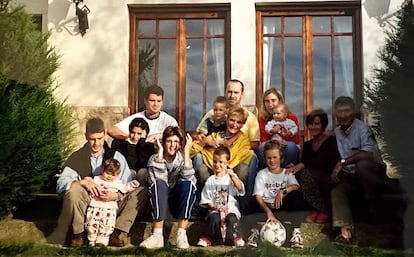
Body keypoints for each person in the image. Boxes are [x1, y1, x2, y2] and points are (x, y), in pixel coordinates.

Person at [48, 117, 149, 247]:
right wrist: (82, 182)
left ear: (105, 134)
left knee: (142, 192)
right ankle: (78, 234)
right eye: (92, 139)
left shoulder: (116, 156)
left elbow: (126, 185)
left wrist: (117, 195)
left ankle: (115, 232)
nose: (96, 143)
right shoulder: (77, 157)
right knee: (73, 190)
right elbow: (61, 184)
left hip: (112, 208)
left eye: (100, 138)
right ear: (86, 137)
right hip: (89, 207)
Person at [330, 96, 392, 243]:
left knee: (362, 165)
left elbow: (369, 153)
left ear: (354, 113)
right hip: (351, 177)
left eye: (347, 111)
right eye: (340, 111)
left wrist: (343, 162)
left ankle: (373, 207)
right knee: (337, 192)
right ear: (335, 114)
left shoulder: (363, 129)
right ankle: (344, 233)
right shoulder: (337, 132)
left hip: (371, 174)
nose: (343, 115)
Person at [139, 126, 196, 249]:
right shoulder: (155, 159)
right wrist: (160, 154)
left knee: (188, 184)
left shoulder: (183, 160)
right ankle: (157, 235)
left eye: (176, 142)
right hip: (159, 204)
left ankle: (181, 234)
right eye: (169, 141)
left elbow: (189, 179)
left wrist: (186, 153)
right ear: (163, 143)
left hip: (176, 204)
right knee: (159, 184)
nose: (172, 145)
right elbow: (160, 181)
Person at [286, 109, 340, 224]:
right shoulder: (307, 145)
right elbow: (304, 162)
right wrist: (295, 166)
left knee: (304, 173)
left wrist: (301, 166)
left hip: (328, 178)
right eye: (311, 124)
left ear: (323, 125)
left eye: (317, 124)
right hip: (311, 179)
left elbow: (323, 162)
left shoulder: (331, 141)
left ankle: (323, 210)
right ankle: (315, 209)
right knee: (297, 174)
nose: (313, 127)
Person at [252, 140, 308, 248]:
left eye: (275, 157)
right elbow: (258, 196)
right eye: (269, 158)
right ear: (265, 159)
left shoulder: (286, 172)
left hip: (282, 207)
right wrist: (268, 212)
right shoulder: (262, 174)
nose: (272, 161)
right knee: (251, 201)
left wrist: (283, 191)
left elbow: (296, 186)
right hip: (266, 208)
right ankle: (254, 233)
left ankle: (296, 233)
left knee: (297, 195)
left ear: (281, 159)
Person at [191, 107, 257, 192]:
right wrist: (205, 142)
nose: (235, 125)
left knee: (243, 168)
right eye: (232, 120)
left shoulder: (243, 139)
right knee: (201, 168)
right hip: (213, 174)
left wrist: (225, 168)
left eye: (239, 122)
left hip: (232, 174)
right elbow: (190, 152)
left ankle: (243, 202)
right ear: (226, 120)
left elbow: (244, 155)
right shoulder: (214, 136)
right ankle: (204, 200)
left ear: (243, 125)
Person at [196, 146, 246, 247]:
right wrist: (212, 206)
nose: (217, 165)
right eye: (215, 161)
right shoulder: (210, 180)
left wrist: (233, 177)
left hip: (230, 209)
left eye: (221, 162)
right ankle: (206, 238)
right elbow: (206, 198)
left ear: (227, 162)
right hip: (215, 209)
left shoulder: (231, 178)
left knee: (232, 218)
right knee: (213, 218)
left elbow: (240, 189)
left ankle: (237, 237)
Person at [85, 158, 139, 246]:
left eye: (113, 175)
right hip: (96, 205)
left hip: (109, 208)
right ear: (102, 170)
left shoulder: (117, 182)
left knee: (107, 223)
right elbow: (88, 184)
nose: (109, 177)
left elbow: (125, 188)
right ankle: (91, 238)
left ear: (117, 175)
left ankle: (102, 239)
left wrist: (132, 184)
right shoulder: (97, 180)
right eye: (107, 173)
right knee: (92, 221)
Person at [195, 79, 260, 150]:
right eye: (229, 92)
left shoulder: (250, 117)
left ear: (242, 94)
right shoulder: (214, 113)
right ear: (225, 93)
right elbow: (197, 135)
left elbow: (255, 144)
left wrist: (234, 146)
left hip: (240, 155)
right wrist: (205, 139)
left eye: (236, 92)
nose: (232, 95)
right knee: (198, 156)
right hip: (213, 154)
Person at [108, 85, 178, 143]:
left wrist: (155, 136)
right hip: (139, 155)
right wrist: (128, 137)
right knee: (116, 143)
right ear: (145, 101)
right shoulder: (136, 118)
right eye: (152, 100)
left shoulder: (168, 120)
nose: (155, 104)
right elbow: (111, 130)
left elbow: (177, 136)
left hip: (159, 156)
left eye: (159, 101)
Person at [257, 88, 300, 169]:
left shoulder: (291, 117)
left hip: (286, 144)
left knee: (291, 146)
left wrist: (282, 135)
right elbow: (263, 139)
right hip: (271, 145)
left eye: (273, 100)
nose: (270, 104)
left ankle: (286, 173)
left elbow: (295, 139)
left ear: (280, 101)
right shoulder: (262, 118)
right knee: (262, 146)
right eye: (267, 101)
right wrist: (275, 142)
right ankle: (267, 173)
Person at [111, 117, 155, 186]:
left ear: (145, 134)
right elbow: (129, 164)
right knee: (130, 172)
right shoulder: (120, 145)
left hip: (142, 179)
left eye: (139, 134)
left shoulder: (149, 146)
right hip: (126, 179)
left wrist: (141, 142)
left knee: (142, 172)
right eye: (133, 133)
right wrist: (130, 145)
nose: (135, 136)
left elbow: (143, 162)